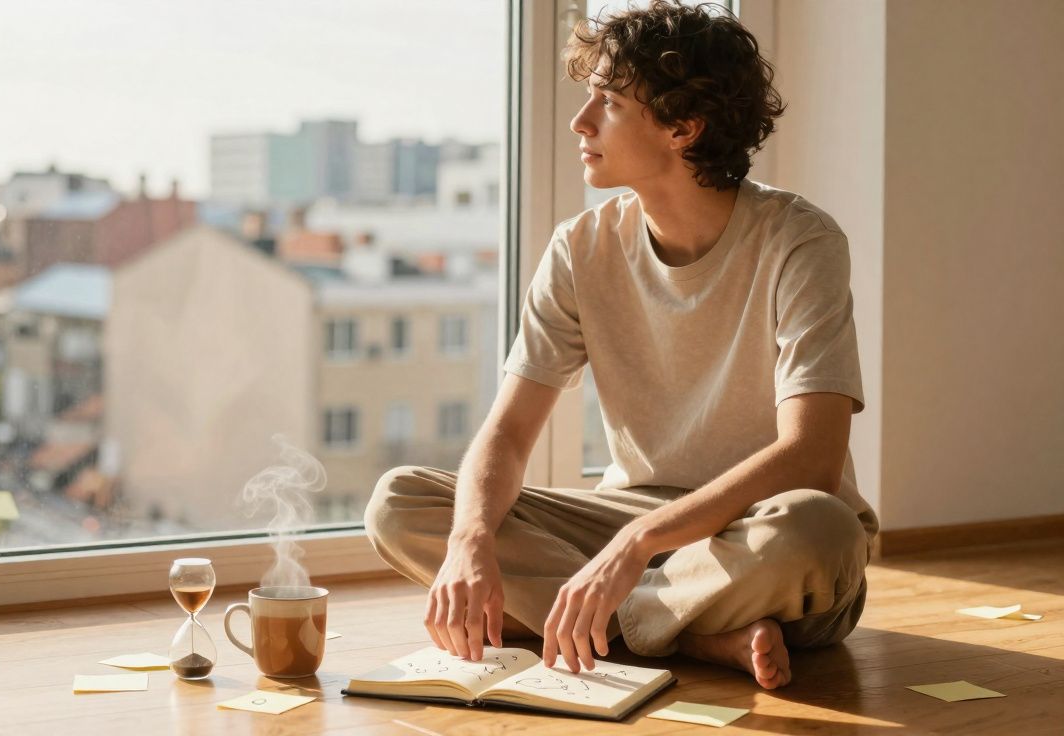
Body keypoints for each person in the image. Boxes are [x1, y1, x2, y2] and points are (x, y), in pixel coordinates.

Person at [364, 0, 876, 690]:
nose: (580, 122)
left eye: (606, 102)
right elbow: (510, 432)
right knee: (401, 501)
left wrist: (638, 546)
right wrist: (469, 541)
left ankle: (615, 619)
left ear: (682, 126)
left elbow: (811, 458)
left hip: (758, 526)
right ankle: (697, 636)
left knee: (820, 530)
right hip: (634, 513)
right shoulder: (581, 248)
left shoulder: (800, 242)